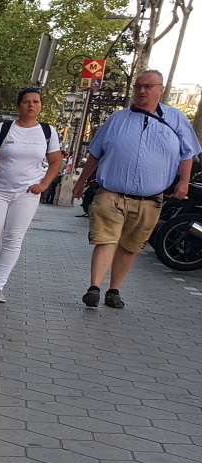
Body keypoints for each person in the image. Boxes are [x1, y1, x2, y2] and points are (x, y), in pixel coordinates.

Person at [71, 69, 200, 308]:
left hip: (150, 199)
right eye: (138, 86)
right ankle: (94, 287)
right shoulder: (117, 119)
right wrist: (81, 182)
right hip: (111, 194)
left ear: (161, 90)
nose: (142, 91)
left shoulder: (176, 119)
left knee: (130, 245)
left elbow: (187, 153)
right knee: (105, 239)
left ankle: (114, 290)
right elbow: (95, 153)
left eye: (148, 86)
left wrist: (184, 182)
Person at [0, 88, 63, 303]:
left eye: (36, 102)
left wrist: (44, 184)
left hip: (27, 195)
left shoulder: (47, 132)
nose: (32, 105)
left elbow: (56, 160)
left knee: (13, 240)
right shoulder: (4, 129)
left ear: (40, 107)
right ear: (18, 106)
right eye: (27, 102)